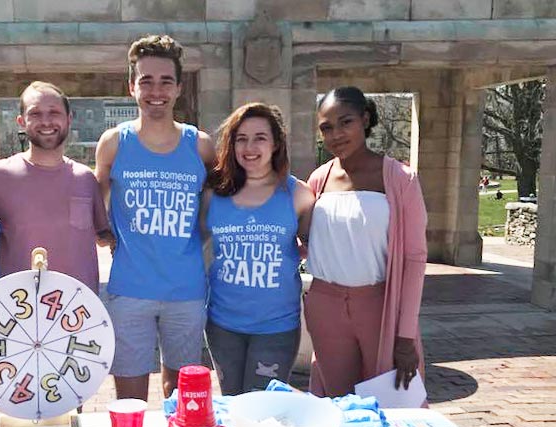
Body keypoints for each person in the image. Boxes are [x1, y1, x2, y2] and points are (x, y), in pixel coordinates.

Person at [96, 34, 216, 401]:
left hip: (187, 291)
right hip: (130, 291)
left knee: (180, 399)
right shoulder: (114, 143)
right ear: (132, 87)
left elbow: (214, 209)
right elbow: (92, 205)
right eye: (146, 81)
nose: (156, 91)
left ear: (179, 87)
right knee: (130, 400)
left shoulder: (200, 145)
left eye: (165, 81)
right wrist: (105, 233)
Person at [305, 86, 427, 398]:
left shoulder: (400, 178)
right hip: (325, 305)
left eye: (345, 122)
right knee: (336, 407)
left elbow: (414, 259)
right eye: (326, 128)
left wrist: (406, 335)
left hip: (379, 304)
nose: (336, 135)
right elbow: (305, 240)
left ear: (366, 119)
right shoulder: (318, 179)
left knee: (391, 403)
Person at [201, 103, 315, 395]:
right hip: (223, 324)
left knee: (263, 411)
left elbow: (317, 247)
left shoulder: (298, 194)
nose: (249, 147)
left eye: (260, 138)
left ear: (276, 144)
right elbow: (190, 246)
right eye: (241, 138)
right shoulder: (213, 194)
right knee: (232, 404)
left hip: (276, 327)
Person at [0, 82, 111, 293]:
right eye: (36, 114)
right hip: (18, 309)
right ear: (21, 121)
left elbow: (105, 238)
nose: (46, 121)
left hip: (78, 312)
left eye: (54, 112)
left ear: (69, 119)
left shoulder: (85, 179)